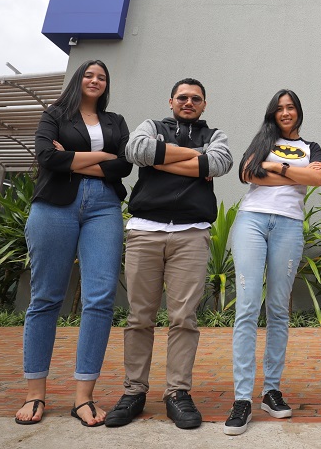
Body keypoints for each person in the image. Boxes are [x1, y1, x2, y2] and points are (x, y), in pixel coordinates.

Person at [103, 79, 233, 430]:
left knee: (184, 319)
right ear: (171, 101)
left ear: (204, 104)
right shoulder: (151, 125)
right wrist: (195, 158)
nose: (189, 102)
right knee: (139, 317)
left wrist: (161, 159)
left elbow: (219, 163)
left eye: (196, 98)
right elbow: (136, 149)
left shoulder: (215, 135)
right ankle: (134, 391)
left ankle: (177, 392)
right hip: (145, 231)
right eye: (182, 97)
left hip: (192, 234)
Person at [15, 60, 132, 427]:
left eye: (102, 77)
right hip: (54, 206)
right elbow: (46, 157)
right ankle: (35, 394)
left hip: (104, 207)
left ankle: (83, 397)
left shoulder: (115, 122)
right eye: (89, 75)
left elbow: (124, 165)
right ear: (79, 79)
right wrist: (102, 157)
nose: (95, 80)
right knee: (46, 298)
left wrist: (72, 158)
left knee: (100, 299)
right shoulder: (55, 114)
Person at [223, 90, 321, 435]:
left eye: (290, 107)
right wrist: (294, 173)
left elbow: (317, 178)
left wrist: (272, 166)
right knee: (247, 307)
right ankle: (242, 399)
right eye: (279, 108)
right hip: (252, 220)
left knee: (279, 309)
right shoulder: (263, 140)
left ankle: (271, 391)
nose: (285, 112)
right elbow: (247, 174)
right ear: (273, 113)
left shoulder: (312, 147)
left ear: (299, 112)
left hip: (289, 225)